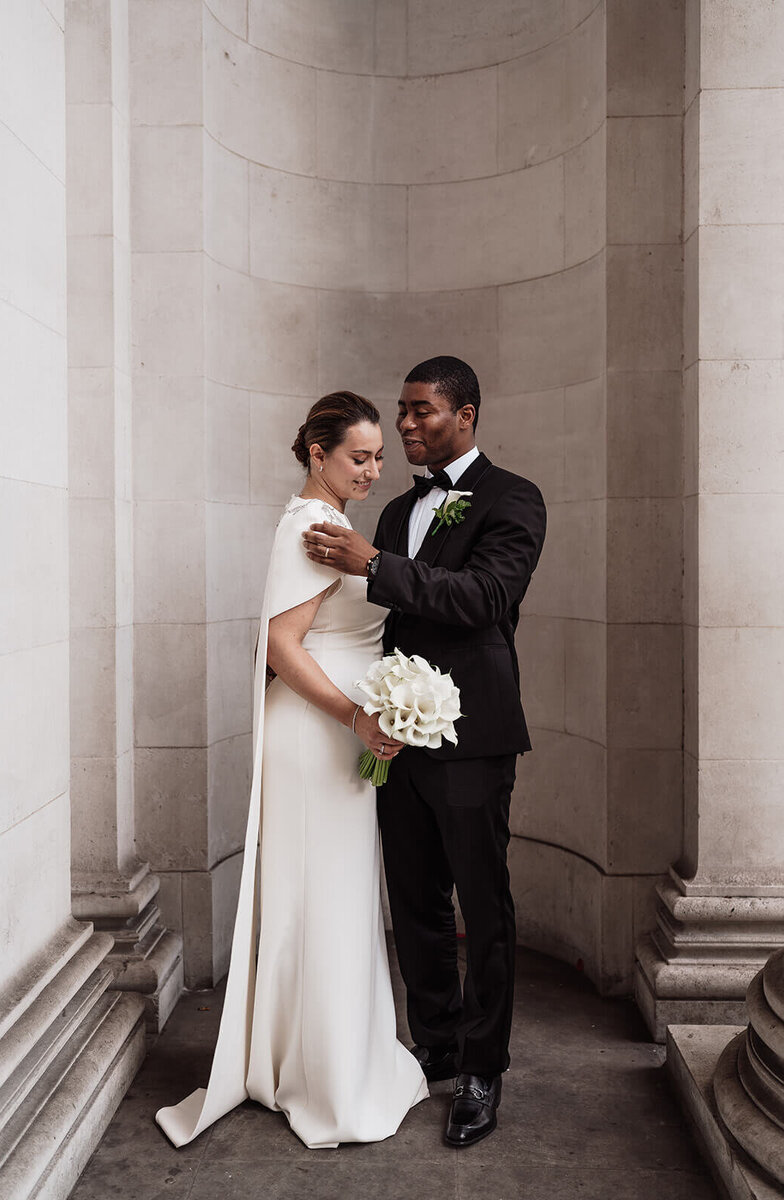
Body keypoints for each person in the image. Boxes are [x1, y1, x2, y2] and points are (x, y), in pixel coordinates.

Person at [156, 391, 428, 1151]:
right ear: (317, 453)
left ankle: (320, 1060)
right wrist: (356, 717)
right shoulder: (308, 526)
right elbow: (281, 647)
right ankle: (322, 1078)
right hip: (319, 732)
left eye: (378, 456)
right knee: (325, 893)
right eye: (358, 456)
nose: (373, 469)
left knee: (333, 896)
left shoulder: (333, 522)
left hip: (338, 729)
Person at [302, 356, 546, 1148]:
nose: (405, 425)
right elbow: (384, 624)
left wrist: (374, 564)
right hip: (396, 738)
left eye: (420, 412)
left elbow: (482, 600)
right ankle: (435, 1044)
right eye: (402, 413)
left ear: (465, 414)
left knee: (484, 905)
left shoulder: (514, 499)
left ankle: (482, 1067)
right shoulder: (400, 509)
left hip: (472, 738)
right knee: (413, 902)